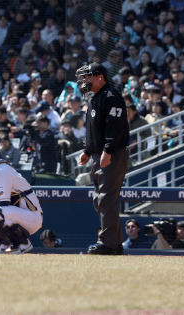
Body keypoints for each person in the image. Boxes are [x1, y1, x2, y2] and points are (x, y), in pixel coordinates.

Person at [76, 62, 130, 255]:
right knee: (101, 201)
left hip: (113, 153)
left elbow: (115, 126)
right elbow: (95, 130)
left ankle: (107, 244)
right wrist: (88, 150)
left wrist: (107, 150)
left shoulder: (111, 96)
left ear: (100, 77)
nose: (84, 81)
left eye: (87, 77)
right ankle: (115, 244)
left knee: (106, 199)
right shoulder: (95, 98)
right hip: (99, 154)